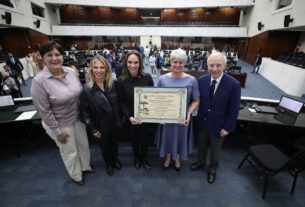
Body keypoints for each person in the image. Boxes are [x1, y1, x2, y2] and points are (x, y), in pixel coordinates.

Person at [31, 41, 94, 186]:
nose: (54, 58)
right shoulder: (39, 81)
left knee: (83, 145)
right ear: (42, 58)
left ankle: (85, 167)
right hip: (59, 123)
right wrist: (57, 131)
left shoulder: (71, 72)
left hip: (77, 118)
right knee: (69, 151)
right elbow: (44, 111)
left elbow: (79, 93)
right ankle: (76, 175)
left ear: (62, 56)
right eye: (49, 55)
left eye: (57, 54)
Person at [190, 52, 241, 184]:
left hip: (220, 125)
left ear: (225, 66)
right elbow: (197, 100)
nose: (214, 68)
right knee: (200, 145)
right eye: (211, 65)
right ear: (207, 65)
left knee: (215, 150)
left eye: (218, 65)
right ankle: (200, 162)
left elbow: (234, 109)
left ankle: (212, 169)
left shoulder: (234, 84)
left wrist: (228, 127)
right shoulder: (202, 80)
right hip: (202, 121)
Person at [155, 48, 200, 171]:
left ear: (185, 63)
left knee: (179, 138)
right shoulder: (162, 79)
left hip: (182, 119)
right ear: (170, 61)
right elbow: (157, 99)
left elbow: (196, 100)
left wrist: (189, 113)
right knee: (168, 138)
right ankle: (168, 157)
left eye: (181, 62)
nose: (177, 65)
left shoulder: (191, 80)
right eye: (175, 62)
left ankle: (178, 158)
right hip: (166, 117)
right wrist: (159, 115)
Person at [79, 55, 122, 176]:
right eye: (95, 67)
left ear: (107, 69)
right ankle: (108, 163)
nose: (98, 70)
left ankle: (115, 160)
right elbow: (84, 111)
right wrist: (92, 128)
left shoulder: (114, 84)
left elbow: (118, 104)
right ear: (91, 69)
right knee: (105, 147)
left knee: (115, 144)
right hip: (100, 123)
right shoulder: (87, 89)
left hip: (114, 121)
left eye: (102, 67)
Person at [117, 50, 154, 170]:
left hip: (145, 117)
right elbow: (121, 101)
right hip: (131, 117)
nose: (133, 65)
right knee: (134, 141)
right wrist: (129, 117)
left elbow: (153, 98)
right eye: (130, 62)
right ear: (126, 63)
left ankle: (144, 159)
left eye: (136, 62)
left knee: (145, 140)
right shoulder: (121, 80)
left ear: (140, 63)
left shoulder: (147, 78)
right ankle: (137, 158)